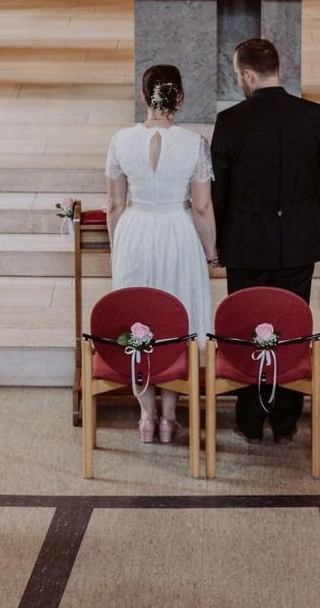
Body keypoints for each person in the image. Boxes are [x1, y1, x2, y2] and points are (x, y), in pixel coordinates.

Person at [210, 38, 320, 445]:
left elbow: (220, 191)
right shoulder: (315, 116)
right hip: (298, 242)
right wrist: (314, 233)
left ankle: (250, 420)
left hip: (246, 242)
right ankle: (285, 421)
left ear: (248, 74)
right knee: (290, 329)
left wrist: (219, 243)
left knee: (247, 329)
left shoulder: (231, 121)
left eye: (237, 75)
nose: (239, 82)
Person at [105, 64, 217, 444]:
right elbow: (202, 208)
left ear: (142, 96)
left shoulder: (120, 140)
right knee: (176, 321)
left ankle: (145, 417)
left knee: (139, 320)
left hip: (136, 231)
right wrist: (211, 250)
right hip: (177, 231)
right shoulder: (195, 143)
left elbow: (115, 205)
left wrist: (117, 248)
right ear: (179, 99)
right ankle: (170, 417)